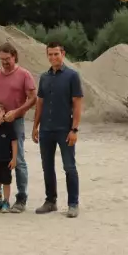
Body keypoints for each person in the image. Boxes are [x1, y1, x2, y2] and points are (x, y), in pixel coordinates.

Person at [0, 42, 37, 213]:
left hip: (14, 122)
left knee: (17, 160)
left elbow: (33, 98)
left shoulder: (24, 75)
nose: (5, 62)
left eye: (8, 59)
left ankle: (21, 197)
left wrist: (17, 112)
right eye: (2, 59)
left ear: (14, 56)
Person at [32, 41, 83, 218]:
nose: (53, 57)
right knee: (47, 166)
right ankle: (50, 201)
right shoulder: (44, 77)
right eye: (50, 54)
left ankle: (73, 204)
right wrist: (35, 126)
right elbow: (40, 102)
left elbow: (77, 104)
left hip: (64, 129)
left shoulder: (72, 76)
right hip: (46, 129)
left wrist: (74, 130)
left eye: (56, 54)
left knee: (69, 167)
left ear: (63, 54)